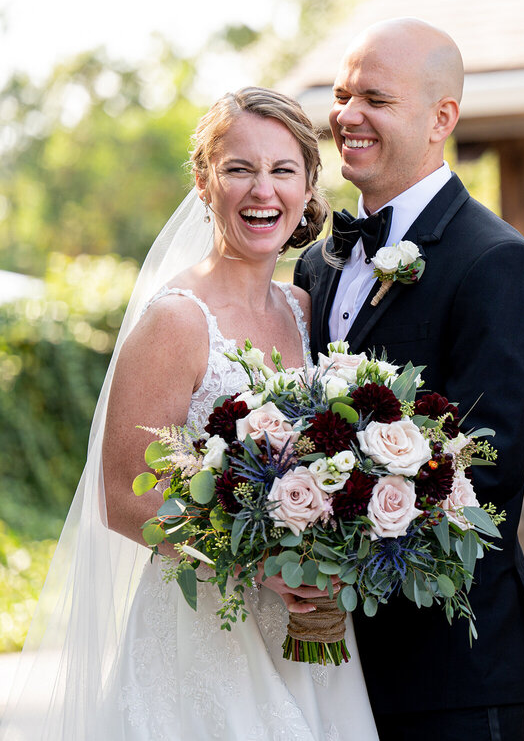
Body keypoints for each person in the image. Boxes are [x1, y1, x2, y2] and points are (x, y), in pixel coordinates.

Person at [0, 87, 379, 741]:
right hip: (205, 636)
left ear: (309, 185)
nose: (263, 191)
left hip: (310, 641)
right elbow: (122, 498)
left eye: (283, 170)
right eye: (239, 168)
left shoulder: (305, 309)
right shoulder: (177, 319)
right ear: (205, 182)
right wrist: (257, 561)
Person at [293, 18, 524, 740]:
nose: (347, 115)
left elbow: (481, 470)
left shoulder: (495, 263)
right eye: (344, 94)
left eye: (375, 98)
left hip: (448, 674)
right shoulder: (315, 266)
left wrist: (339, 587)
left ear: (443, 117)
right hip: (318, 674)